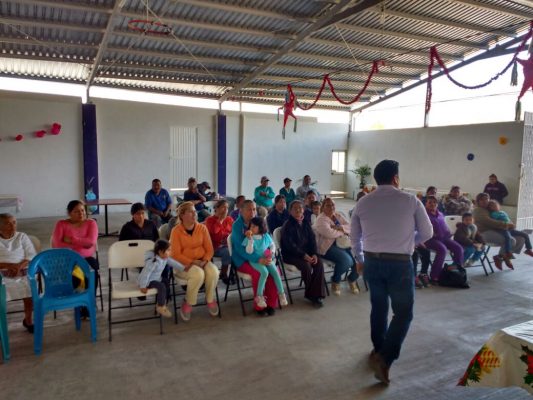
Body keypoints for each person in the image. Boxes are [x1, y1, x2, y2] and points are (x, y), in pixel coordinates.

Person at [351, 159, 433, 384]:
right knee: (403, 313)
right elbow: (427, 232)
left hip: (372, 262)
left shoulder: (363, 202)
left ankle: (378, 350)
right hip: (400, 264)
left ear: (376, 179)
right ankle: (386, 358)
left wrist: (359, 259)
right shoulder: (410, 200)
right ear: (396, 178)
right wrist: (409, 241)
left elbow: (354, 236)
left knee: (379, 308)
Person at [169, 201, 220, 321]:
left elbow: (209, 249)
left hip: (202, 261)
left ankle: (210, 299)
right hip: (182, 264)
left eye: (195, 211)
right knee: (198, 274)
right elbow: (175, 254)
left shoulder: (202, 228)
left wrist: (205, 261)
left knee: (213, 271)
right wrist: (193, 262)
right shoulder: (176, 231)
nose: (194, 214)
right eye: (190, 212)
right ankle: (188, 301)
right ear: (182, 215)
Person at [231, 200, 280, 316]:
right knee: (259, 272)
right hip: (242, 259)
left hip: (261, 256)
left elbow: (267, 241)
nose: (253, 212)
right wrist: (258, 259)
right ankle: (259, 306)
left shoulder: (259, 222)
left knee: (275, 271)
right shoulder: (237, 226)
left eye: (254, 209)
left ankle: (271, 303)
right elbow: (240, 250)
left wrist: (270, 254)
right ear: (241, 211)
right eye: (249, 209)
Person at [52, 200, 99, 318]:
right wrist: (82, 243)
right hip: (67, 259)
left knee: (92, 271)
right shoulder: (61, 224)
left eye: (82, 210)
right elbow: (57, 245)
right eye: (76, 211)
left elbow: (90, 243)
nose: (81, 213)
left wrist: (71, 240)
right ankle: (80, 303)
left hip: (87, 258)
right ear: (69, 213)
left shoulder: (91, 223)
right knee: (75, 276)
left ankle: (89, 302)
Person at [280, 200, 326, 308]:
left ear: (303, 210)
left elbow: (312, 240)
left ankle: (316, 294)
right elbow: (290, 245)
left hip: (306, 253)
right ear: (290, 211)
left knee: (319, 263)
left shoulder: (305, 222)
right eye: (295, 208)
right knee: (306, 265)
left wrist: (314, 254)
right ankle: (312, 296)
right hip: (291, 255)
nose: (298, 210)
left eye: (300, 208)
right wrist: (304, 255)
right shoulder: (287, 225)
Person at [314, 198, 359, 296]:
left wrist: (340, 227)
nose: (331, 207)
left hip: (343, 243)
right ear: (323, 207)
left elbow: (350, 227)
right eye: (328, 205)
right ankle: (335, 280)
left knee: (360, 259)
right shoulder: (321, 219)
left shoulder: (337, 215)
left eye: (333, 205)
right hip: (327, 247)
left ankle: (352, 279)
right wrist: (342, 231)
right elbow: (329, 233)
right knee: (347, 261)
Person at [0, 213, 36, 333]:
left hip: (22, 271)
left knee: (29, 290)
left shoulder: (22, 236)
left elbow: (31, 255)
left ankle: (28, 320)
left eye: (14, 222)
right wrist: (8, 266)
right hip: (2, 275)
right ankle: (1, 324)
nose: (13, 226)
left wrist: (18, 267)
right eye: (8, 223)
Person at [473, 193, 527, 270]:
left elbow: (503, 217)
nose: (485, 201)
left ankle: (504, 256)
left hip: (496, 230)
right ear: (478, 201)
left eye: (486, 199)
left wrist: (510, 224)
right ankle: (502, 257)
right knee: (511, 240)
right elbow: (489, 222)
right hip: (483, 233)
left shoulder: (490, 208)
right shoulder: (478, 210)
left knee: (521, 238)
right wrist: (506, 225)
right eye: (482, 199)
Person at [243, 217, 288, 308]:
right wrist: (250, 240)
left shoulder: (265, 236)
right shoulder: (249, 238)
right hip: (255, 261)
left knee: (275, 272)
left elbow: (272, 245)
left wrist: (271, 253)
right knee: (264, 272)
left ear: (260, 227)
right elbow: (249, 252)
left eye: (254, 226)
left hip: (266, 258)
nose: (251, 228)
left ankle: (281, 294)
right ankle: (259, 297)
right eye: (251, 226)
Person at [139, 239, 184, 318]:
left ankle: (163, 300)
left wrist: (183, 268)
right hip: (149, 281)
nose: (170, 252)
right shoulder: (153, 262)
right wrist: (143, 286)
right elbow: (145, 274)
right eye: (168, 250)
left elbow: (173, 263)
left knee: (166, 281)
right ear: (160, 252)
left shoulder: (165, 258)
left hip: (157, 278)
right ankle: (160, 306)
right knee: (161, 286)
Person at [424, 196, 464, 283]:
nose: (432, 204)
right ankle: (435, 275)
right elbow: (419, 228)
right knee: (442, 249)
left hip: (444, 238)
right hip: (429, 239)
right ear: (425, 204)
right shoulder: (423, 214)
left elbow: (444, 226)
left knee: (459, 248)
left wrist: (448, 232)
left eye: (434, 202)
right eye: (430, 202)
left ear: (437, 204)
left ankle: (455, 271)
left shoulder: (440, 214)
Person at [488, 199, 533, 268]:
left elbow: (508, 220)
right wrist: (506, 225)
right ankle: (507, 253)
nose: (494, 207)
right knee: (508, 238)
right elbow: (496, 223)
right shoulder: (493, 214)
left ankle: (528, 249)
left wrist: (512, 225)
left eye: (495, 205)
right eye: (492, 206)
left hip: (510, 228)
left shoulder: (503, 212)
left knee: (525, 235)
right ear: (490, 208)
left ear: (498, 205)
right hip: (503, 229)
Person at [205, 199, 233, 285]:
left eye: (227, 208)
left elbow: (234, 232)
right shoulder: (209, 220)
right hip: (214, 247)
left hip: (227, 244)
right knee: (227, 252)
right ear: (216, 208)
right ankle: (223, 273)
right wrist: (220, 220)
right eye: (223, 207)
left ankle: (233, 272)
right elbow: (214, 231)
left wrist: (228, 238)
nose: (226, 210)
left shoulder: (229, 219)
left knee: (238, 249)